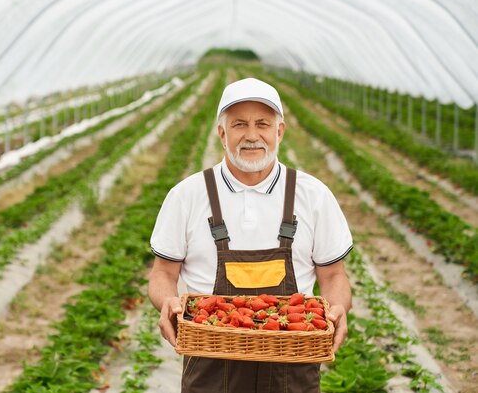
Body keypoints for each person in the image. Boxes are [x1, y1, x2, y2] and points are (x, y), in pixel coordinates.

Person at [147, 77, 353, 392]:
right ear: (222, 132)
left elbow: (334, 276)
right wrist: (169, 302)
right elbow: (163, 272)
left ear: (279, 131)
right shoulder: (187, 195)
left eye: (263, 124)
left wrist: (338, 308)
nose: (253, 136)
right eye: (240, 124)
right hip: (210, 360)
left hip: (292, 361)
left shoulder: (313, 196)